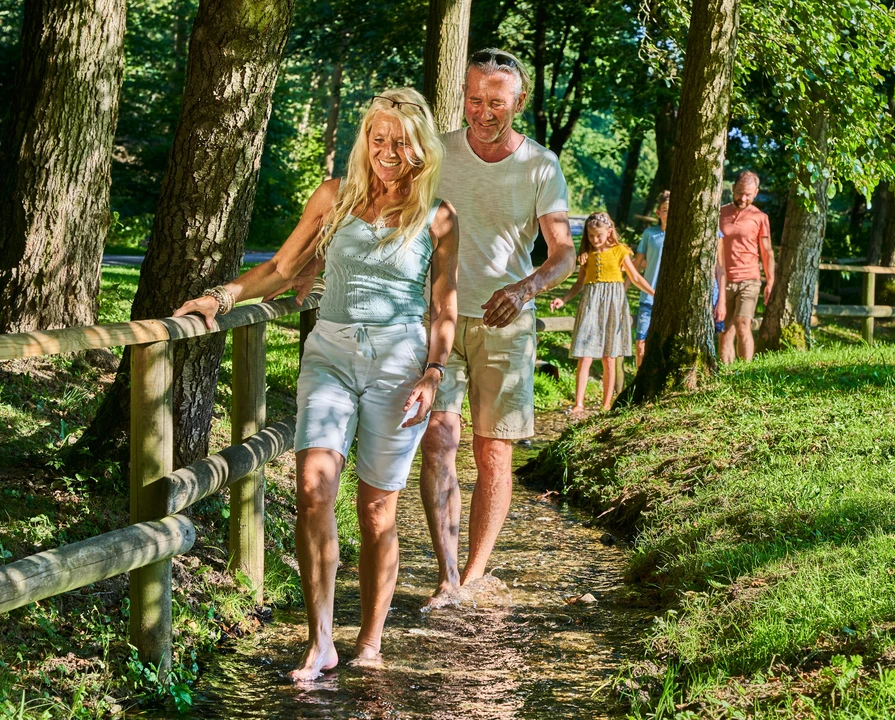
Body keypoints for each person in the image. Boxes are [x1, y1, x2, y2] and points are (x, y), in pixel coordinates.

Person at [174, 88, 458, 681]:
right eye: (377, 138)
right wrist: (223, 296)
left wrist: (433, 375)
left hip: (399, 363)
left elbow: (443, 308)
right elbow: (281, 269)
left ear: (419, 148)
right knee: (312, 488)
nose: (386, 150)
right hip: (330, 350)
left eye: (398, 142)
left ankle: (371, 638)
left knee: (377, 508)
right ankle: (321, 638)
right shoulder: (334, 197)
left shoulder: (437, 216)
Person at [420, 49, 576, 607]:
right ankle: (447, 575)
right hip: (438, 316)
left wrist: (523, 289)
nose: (483, 112)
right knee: (439, 439)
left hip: (505, 323)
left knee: (494, 454)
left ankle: (474, 569)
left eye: (496, 102)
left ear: (519, 102)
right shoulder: (437, 150)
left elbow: (563, 255)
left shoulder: (540, 165)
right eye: (474, 99)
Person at [550, 212, 655, 413]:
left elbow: (635, 277)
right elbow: (579, 284)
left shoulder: (620, 251)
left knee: (609, 357)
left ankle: (606, 405)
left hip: (613, 305)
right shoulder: (586, 255)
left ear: (609, 232)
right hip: (591, 304)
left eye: (598, 235)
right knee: (585, 355)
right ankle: (579, 404)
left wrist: (654, 293)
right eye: (590, 236)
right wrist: (563, 299)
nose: (595, 239)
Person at [715, 170, 774, 363]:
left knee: (742, 323)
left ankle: (745, 369)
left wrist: (770, 280)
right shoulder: (719, 213)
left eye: (748, 194)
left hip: (749, 278)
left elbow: (766, 251)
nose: (743, 198)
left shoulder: (760, 217)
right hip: (723, 280)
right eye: (740, 192)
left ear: (756, 192)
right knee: (724, 330)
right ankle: (725, 372)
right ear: (733, 188)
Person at [631, 191, 668, 368]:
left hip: (670, 301)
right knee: (641, 344)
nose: (669, 213)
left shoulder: (681, 236)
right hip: (648, 298)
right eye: (665, 210)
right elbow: (635, 266)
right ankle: (640, 381)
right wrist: (622, 290)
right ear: (658, 212)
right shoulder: (650, 234)